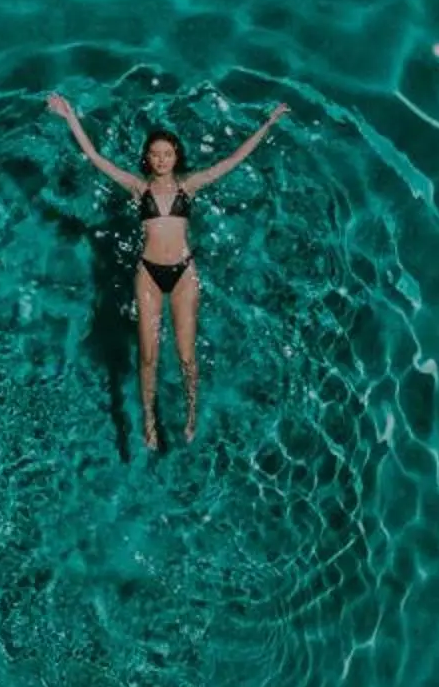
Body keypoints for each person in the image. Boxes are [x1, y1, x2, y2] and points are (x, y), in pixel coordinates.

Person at [46, 95, 291, 448]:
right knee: (148, 355)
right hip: (148, 272)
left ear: (176, 157)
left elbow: (233, 160)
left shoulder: (188, 187)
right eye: (156, 154)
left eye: (168, 154)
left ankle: (191, 414)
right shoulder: (137, 187)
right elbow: (97, 158)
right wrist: (70, 116)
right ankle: (148, 417)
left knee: (186, 355)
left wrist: (268, 123)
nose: (162, 159)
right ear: (148, 158)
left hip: (184, 274)